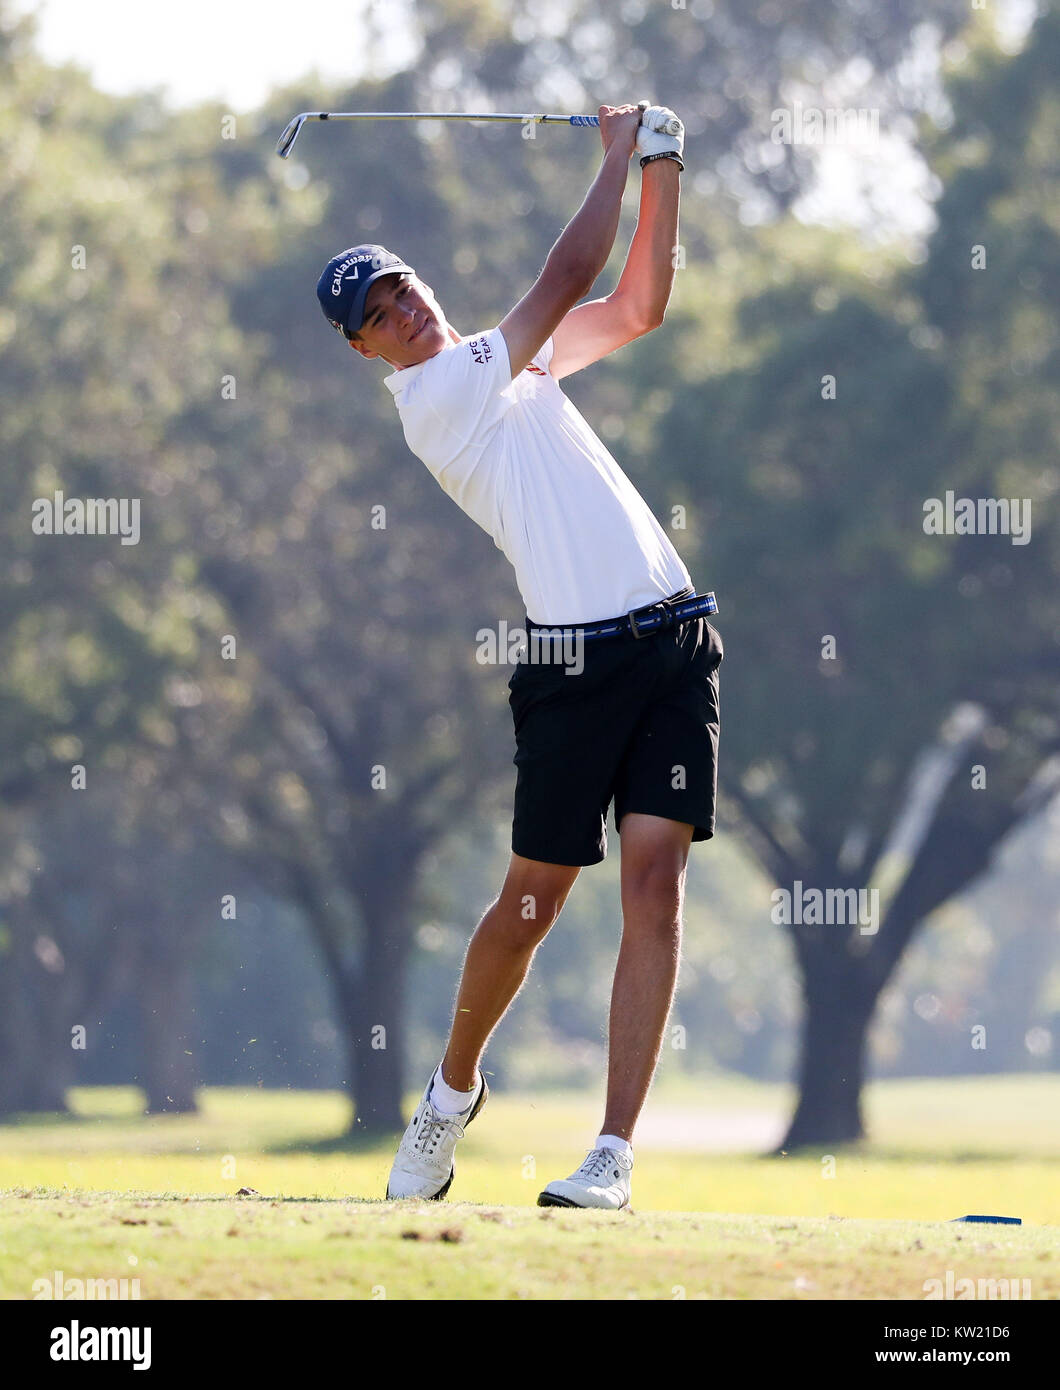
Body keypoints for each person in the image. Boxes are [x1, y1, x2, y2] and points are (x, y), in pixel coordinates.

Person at [315, 103, 722, 1210]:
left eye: (401, 287)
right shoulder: (440, 399)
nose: (402, 309)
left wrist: (663, 166)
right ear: (365, 352)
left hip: (676, 637)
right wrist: (613, 159)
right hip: (574, 667)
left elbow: (634, 304)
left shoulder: (519, 370)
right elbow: (569, 267)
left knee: (656, 882)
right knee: (532, 902)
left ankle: (611, 1155)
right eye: (377, 314)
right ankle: (449, 1097)